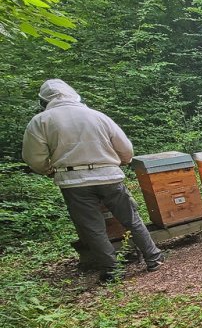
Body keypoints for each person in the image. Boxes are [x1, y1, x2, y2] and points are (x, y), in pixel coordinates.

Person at [22, 79, 165, 281]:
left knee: (93, 229)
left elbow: (33, 157)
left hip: (74, 182)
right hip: (109, 176)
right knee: (131, 219)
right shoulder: (97, 116)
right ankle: (154, 257)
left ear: (43, 101)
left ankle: (112, 271)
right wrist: (123, 161)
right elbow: (125, 148)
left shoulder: (41, 121)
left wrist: (49, 170)